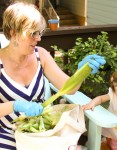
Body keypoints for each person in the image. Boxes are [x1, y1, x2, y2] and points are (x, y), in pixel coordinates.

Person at [0, 1, 106, 149]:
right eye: (33, 33)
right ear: (13, 33)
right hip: (8, 134)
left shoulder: (41, 55)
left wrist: (83, 72)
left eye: (39, 33)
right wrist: (15, 105)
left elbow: (69, 89)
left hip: (44, 132)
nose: (39, 38)